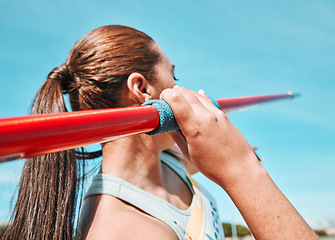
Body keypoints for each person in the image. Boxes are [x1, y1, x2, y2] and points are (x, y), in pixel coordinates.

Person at [2, 25, 318, 240]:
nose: (182, 87)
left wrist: (232, 151)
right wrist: (242, 171)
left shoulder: (169, 159)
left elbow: (210, 153)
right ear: (141, 88)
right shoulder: (121, 228)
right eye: (173, 74)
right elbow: (230, 165)